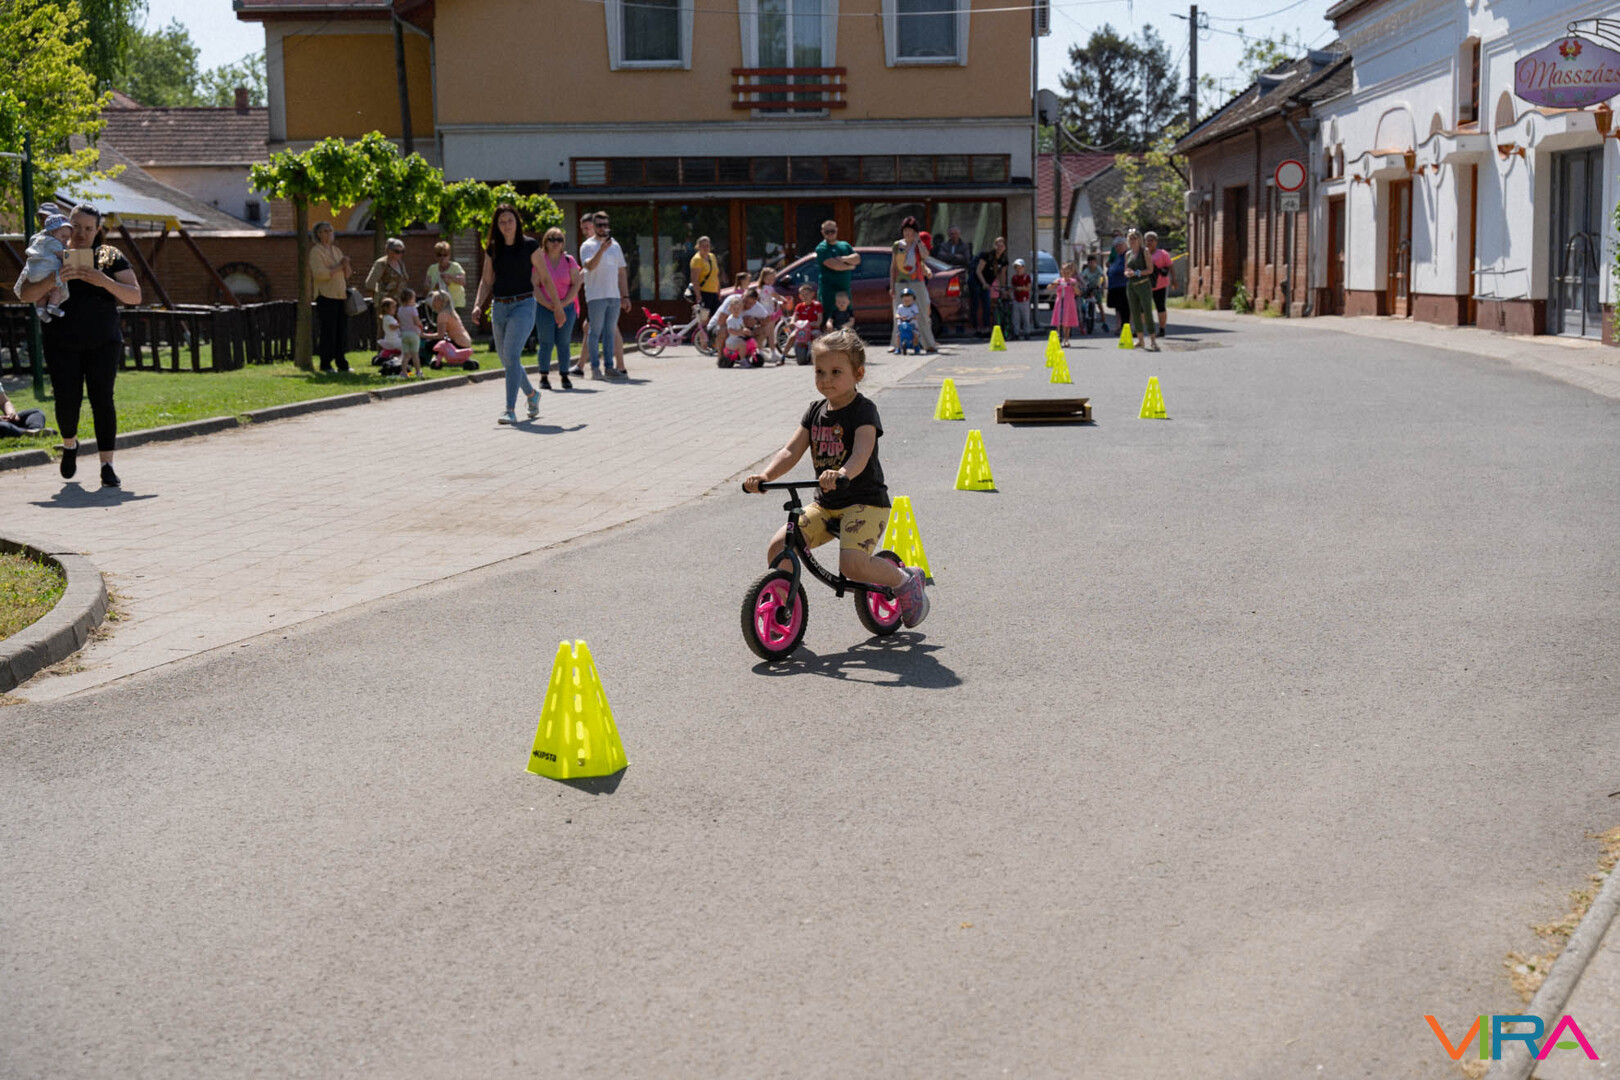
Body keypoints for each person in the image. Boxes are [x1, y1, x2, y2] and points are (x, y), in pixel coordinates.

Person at [742, 327, 929, 628]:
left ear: (858, 373)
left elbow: (862, 453)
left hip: (865, 503)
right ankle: (785, 606)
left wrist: (842, 473)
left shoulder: (864, 410)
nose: (826, 379)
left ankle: (904, 580)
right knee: (780, 546)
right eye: (819, 372)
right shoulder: (814, 411)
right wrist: (764, 475)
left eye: (835, 372)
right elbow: (790, 451)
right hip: (827, 504)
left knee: (852, 565)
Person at [15, 204, 140, 486]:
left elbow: (135, 295)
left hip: (103, 341)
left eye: (88, 228)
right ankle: (69, 445)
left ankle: (107, 465)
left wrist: (102, 280)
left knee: (102, 400)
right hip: (61, 342)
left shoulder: (109, 255)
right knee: (67, 400)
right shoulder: (49, 249)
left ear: (97, 230)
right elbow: (25, 294)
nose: (81, 234)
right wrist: (55, 277)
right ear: (67, 224)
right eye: (76, 227)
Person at [470, 203, 543, 424]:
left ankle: (509, 409)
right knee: (507, 359)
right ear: (497, 225)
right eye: (502, 222)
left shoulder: (530, 246)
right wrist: (477, 304)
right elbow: (486, 280)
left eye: (510, 220)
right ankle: (532, 394)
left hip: (523, 304)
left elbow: (546, 277)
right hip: (499, 306)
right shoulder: (493, 248)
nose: (506, 225)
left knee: (511, 355)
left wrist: (557, 307)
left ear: (517, 222)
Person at [579, 211, 630, 380]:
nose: (603, 228)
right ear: (594, 226)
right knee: (594, 332)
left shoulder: (615, 245)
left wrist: (625, 296)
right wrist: (601, 250)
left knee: (609, 333)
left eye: (605, 225)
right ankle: (595, 369)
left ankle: (609, 367)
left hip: (613, 296)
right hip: (596, 296)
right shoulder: (587, 245)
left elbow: (621, 272)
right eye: (599, 225)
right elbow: (589, 266)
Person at [534, 226, 580, 391]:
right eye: (552, 239)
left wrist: (564, 303)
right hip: (544, 307)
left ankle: (564, 375)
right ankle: (544, 376)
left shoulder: (569, 260)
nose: (555, 243)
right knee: (545, 342)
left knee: (564, 342)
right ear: (545, 242)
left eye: (559, 239)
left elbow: (576, 284)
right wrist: (548, 304)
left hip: (567, 307)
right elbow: (535, 285)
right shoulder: (540, 260)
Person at [309, 222, 353, 372]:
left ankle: (342, 363)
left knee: (341, 331)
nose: (328, 234)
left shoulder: (336, 250)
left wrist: (346, 265)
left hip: (340, 294)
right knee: (329, 331)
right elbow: (320, 274)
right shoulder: (316, 251)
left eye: (330, 230)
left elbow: (347, 275)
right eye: (325, 231)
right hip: (326, 295)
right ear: (318, 234)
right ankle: (326, 363)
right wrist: (340, 266)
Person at [888, 216, 936, 353]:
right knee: (898, 312)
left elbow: (925, 256)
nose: (908, 233)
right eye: (905, 231)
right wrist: (892, 286)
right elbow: (893, 267)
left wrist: (918, 241)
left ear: (915, 232)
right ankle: (896, 344)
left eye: (910, 231)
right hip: (900, 282)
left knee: (922, 312)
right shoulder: (897, 245)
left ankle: (928, 343)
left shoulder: (918, 244)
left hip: (917, 281)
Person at [22, 213, 72, 321]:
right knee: (56, 289)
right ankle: (52, 306)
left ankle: (40, 310)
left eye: (68, 238)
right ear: (52, 232)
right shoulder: (53, 242)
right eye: (63, 236)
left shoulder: (38, 240)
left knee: (43, 293)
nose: (65, 241)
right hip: (46, 272)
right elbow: (62, 256)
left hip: (33, 274)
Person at [814, 220, 860, 320]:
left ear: (837, 230)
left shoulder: (845, 245)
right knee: (828, 321)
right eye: (827, 232)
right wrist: (850, 266)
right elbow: (835, 265)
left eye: (832, 231)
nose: (830, 234)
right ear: (822, 232)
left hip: (845, 291)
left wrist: (843, 259)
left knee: (846, 320)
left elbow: (857, 259)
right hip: (829, 293)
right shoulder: (822, 248)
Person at [1123, 229, 1160, 352]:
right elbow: (1125, 269)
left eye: (1134, 238)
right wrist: (1128, 273)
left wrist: (1137, 273)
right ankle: (1140, 340)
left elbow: (1150, 269)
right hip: (1131, 286)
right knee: (1134, 313)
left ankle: (1153, 341)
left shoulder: (1145, 251)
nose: (1132, 240)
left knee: (1147, 311)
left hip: (1143, 285)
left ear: (1139, 239)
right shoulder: (1128, 254)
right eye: (1130, 238)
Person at [364, 237, 410, 335]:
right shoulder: (381, 263)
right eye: (397, 251)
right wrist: (378, 298)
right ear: (388, 250)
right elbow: (370, 283)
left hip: (399, 302)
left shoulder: (400, 263)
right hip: (386, 304)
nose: (400, 254)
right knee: (385, 331)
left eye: (402, 252)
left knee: (399, 330)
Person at [970, 236, 1008, 336]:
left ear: (1005, 247)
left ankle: (986, 327)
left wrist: (1003, 289)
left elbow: (1002, 275)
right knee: (976, 303)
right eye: (998, 245)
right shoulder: (987, 255)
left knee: (987, 304)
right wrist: (984, 283)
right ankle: (975, 328)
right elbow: (978, 270)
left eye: (1002, 246)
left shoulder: (1004, 259)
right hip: (976, 280)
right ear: (994, 246)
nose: (1000, 248)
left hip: (987, 283)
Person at [428, 291, 475, 368]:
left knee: (429, 344)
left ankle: (436, 360)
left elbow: (440, 335)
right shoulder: (452, 312)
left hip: (457, 344)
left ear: (444, 301)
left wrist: (423, 335)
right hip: (465, 343)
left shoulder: (443, 314)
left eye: (437, 299)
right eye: (434, 299)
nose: (434, 301)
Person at [424, 241, 467, 322]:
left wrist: (450, 277)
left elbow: (463, 281)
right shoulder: (432, 268)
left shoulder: (455, 267)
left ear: (449, 255)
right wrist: (434, 287)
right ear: (436, 257)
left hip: (455, 304)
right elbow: (426, 286)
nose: (442, 258)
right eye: (439, 255)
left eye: (445, 255)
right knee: (438, 326)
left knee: (454, 327)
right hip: (438, 305)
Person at [1145, 231, 1174, 335]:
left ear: (1156, 242)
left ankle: (1162, 329)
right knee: (1144, 307)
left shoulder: (1163, 254)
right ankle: (1140, 329)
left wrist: (1174, 280)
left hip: (1160, 285)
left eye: (1151, 240)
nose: (1149, 242)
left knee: (1160, 307)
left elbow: (1170, 266)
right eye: (1147, 240)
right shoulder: (1143, 254)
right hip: (1146, 285)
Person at [757, 265, 788, 363]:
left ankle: (761, 350)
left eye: (773, 279)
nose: (771, 281)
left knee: (766, 332)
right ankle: (773, 353)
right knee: (770, 333)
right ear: (763, 279)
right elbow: (776, 296)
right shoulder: (769, 288)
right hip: (769, 313)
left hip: (763, 312)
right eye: (769, 279)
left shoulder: (760, 288)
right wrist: (783, 299)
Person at [689, 235, 722, 323]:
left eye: (707, 245)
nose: (706, 248)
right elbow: (694, 279)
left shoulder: (712, 256)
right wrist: (698, 296)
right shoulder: (697, 260)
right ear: (698, 247)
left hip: (714, 292)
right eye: (703, 246)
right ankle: (700, 331)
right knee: (703, 318)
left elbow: (715, 275)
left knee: (718, 317)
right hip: (704, 292)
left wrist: (718, 290)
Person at [1047, 261, 1080, 347]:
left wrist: (1074, 286)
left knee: (1067, 322)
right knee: (1059, 319)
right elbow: (1049, 287)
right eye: (1064, 272)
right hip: (1060, 302)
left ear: (1071, 273)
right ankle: (1059, 334)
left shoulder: (1073, 281)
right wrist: (1054, 284)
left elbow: (1078, 292)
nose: (1066, 275)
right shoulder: (1059, 280)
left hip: (1069, 304)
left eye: (1068, 273)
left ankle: (1066, 339)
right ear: (1061, 272)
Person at [790, 283, 821, 365]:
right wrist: (792, 322)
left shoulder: (817, 305)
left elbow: (819, 319)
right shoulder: (799, 306)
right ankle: (783, 356)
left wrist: (817, 323)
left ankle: (818, 355)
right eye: (802, 295)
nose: (805, 296)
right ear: (800, 296)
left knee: (818, 336)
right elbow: (794, 316)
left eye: (807, 294)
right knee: (792, 337)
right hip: (802, 330)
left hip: (813, 328)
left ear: (812, 294)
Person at [396, 288, 424, 377]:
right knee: (415, 354)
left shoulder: (400, 309)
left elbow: (399, 322)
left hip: (404, 334)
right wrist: (421, 325)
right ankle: (418, 371)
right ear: (411, 298)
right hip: (413, 333)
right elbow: (416, 321)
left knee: (406, 355)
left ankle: (403, 372)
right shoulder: (413, 309)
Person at [1105, 237, 1129, 336]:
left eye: (1119, 245)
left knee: (1125, 309)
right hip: (1114, 286)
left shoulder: (1127, 255)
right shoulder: (1117, 257)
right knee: (1118, 308)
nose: (1117, 248)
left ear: (1125, 245)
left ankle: (1126, 328)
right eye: (1116, 246)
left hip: (1123, 286)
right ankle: (1120, 326)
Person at [1079, 254, 1105, 336]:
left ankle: (1103, 320)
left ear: (1096, 262)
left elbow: (1102, 277)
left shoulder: (1098, 269)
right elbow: (1082, 277)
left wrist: (1102, 285)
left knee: (1100, 304)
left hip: (1096, 287)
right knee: (1083, 302)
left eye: (1093, 262)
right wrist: (1083, 283)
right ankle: (1083, 320)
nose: (1091, 264)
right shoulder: (1086, 270)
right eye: (1089, 263)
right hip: (1088, 287)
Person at [1008, 258, 1034, 340]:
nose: (1018, 270)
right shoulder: (1014, 278)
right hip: (1016, 300)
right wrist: (1008, 291)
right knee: (1016, 318)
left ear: (1023, 268)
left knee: (1026, 318)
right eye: (1016, 268)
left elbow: (1028, 288)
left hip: (1025, 301)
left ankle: (1027, 333)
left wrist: (1021, 288)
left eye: (1020, 268)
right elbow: (1012, 287)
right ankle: (1016, 333)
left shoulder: (1027, 277)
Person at [893, 287, 921, 354]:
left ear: (913, 299)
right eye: (905, 300)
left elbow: (917, 314)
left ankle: (916, 346)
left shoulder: (914, 307)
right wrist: (899, 317)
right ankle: (898, 348)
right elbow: (896, 314)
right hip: (902, 324)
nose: (907, 301)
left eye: (909, 300)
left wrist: (914, 317)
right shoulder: (900, 307)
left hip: (911, 324)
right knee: (898, 335)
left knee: (915, 335)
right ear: (902, 299)